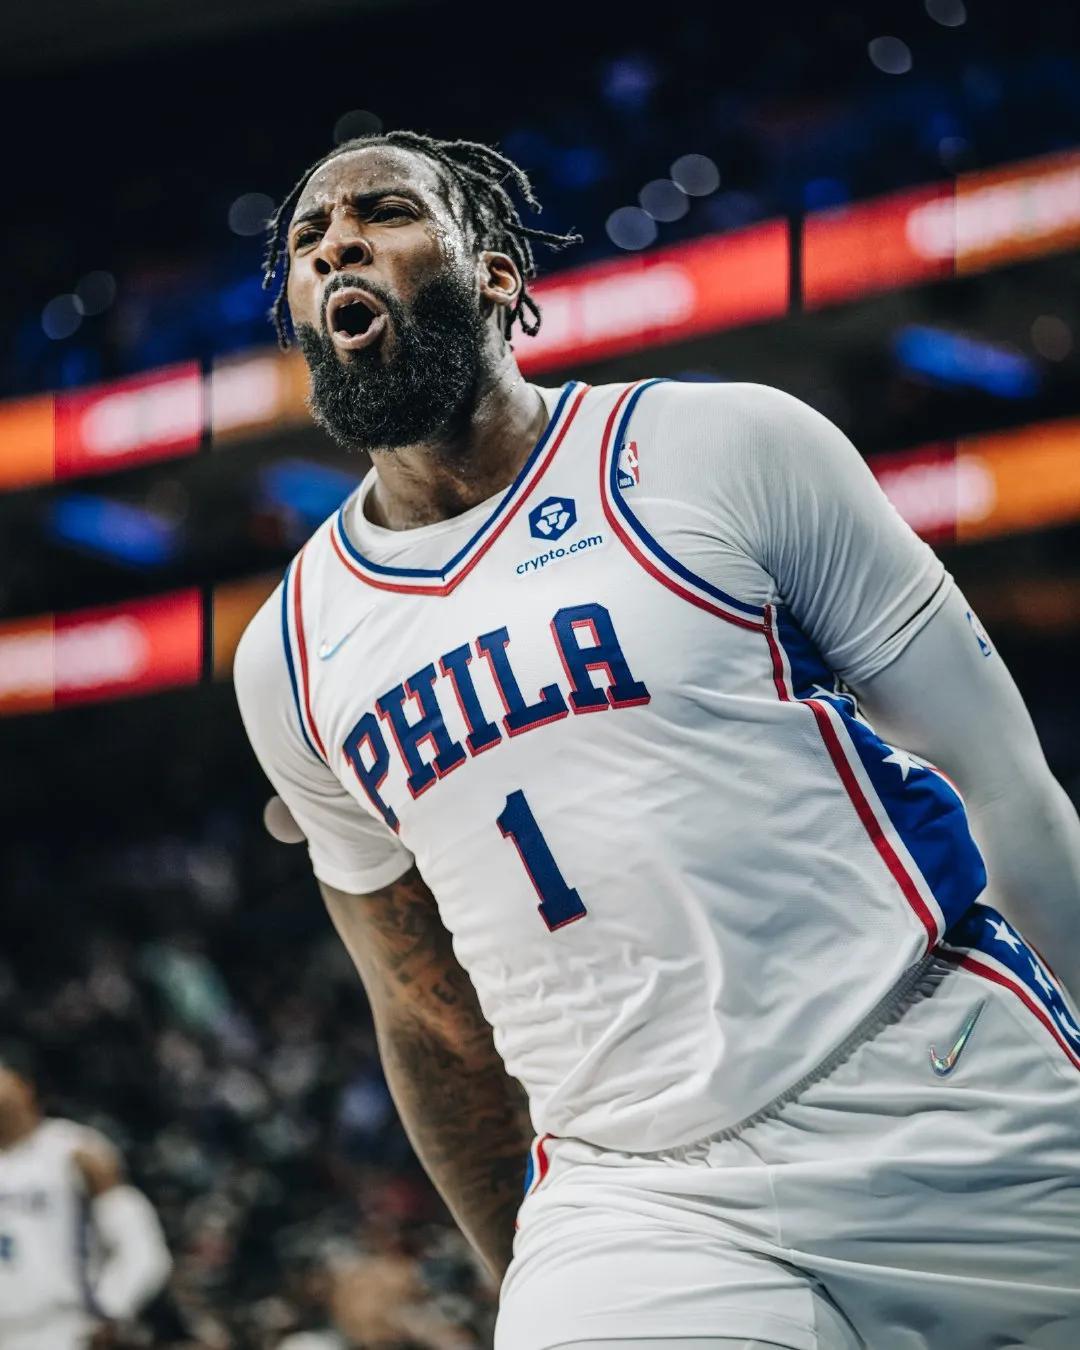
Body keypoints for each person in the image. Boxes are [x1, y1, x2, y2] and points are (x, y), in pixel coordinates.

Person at [234, 129, 1080, 1350]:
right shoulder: (291, 654)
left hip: (935, 1072)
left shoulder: (721, 448)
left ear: (496, 274)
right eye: (309, 240)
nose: (336, 245)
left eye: (385, 211)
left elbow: (999, 781)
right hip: (637, 1199)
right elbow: (424, 1015)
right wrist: (533, 1269)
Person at [0, 1042, 173, 1349]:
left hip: (60, 1328)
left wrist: (111, 1307)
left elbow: (142, 1246)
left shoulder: (75, 1151)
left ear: (24, 1086)